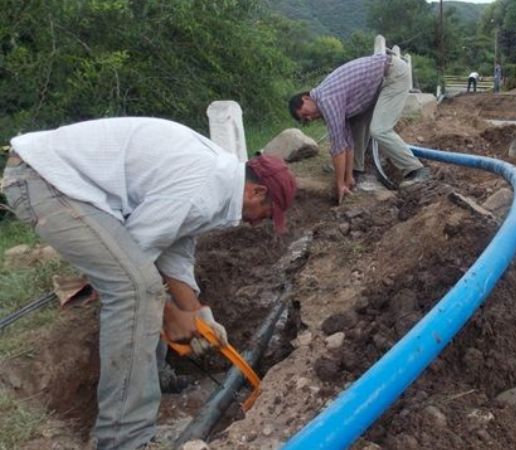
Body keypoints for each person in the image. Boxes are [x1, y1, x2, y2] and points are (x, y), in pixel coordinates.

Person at [0, 117, 297, 450]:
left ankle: (154, 378)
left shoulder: (216, 181)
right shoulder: (201, 188)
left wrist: (197, 312)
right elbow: (137, 255)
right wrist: (172, 316)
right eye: (268, 212)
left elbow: (173, 246)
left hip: (64, 181)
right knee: (134, 290)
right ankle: (124, 439)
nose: (261, 223)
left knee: (148, 285)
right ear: (256, 191)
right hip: (46, 181)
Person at [288, 53, 430, 204]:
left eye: (305, 114)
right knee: (356, 125)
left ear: (306, 98)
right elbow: (346, 140)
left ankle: (416, 170)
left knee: (379, 130)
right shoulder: (326, 98)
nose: (309, 118)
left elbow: (338, 149)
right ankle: (355, 173)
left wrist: (339, 184)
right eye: (306, 120)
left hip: (393, 75)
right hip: (377, 83)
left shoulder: (326, 100)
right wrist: (347, 177)